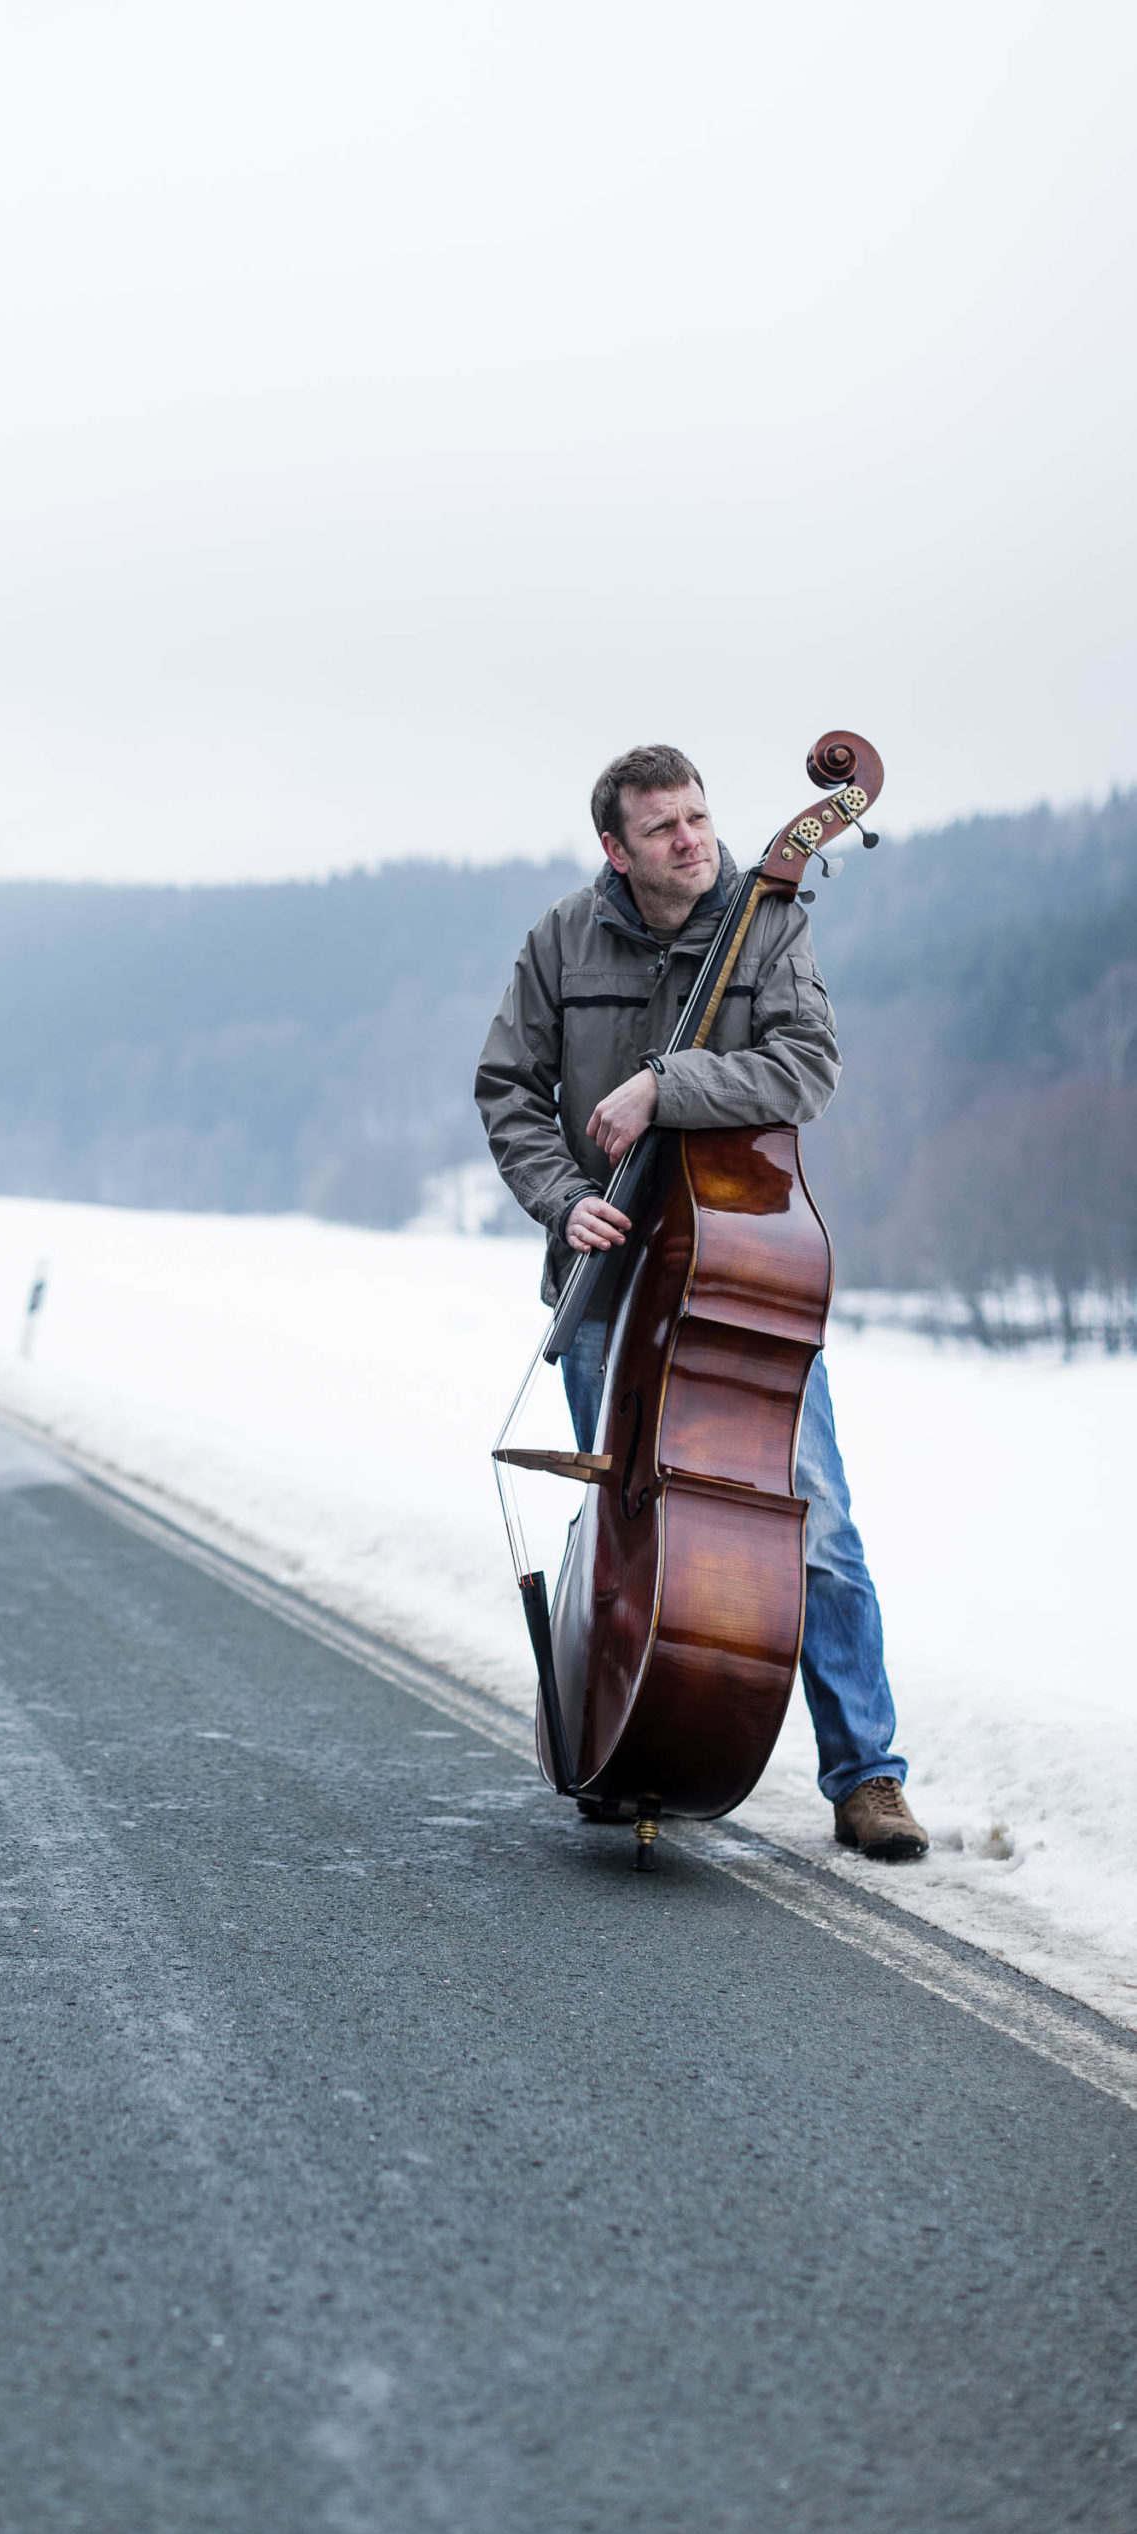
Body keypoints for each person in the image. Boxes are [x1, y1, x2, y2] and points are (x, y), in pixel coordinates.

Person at [474, 742, 927, 1861]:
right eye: (665, 827)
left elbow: (806, 1067)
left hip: (733, 1278)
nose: (695, 839)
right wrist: (561, 1197)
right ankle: (634, 1746)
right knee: (630, 1526)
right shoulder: (561, 939)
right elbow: (508, 1088)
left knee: (809, 1519)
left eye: (700, 815)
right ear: (616, 850)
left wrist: (664, 1085)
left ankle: (866, 1776)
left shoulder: (767, 920)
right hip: (608, 1282)